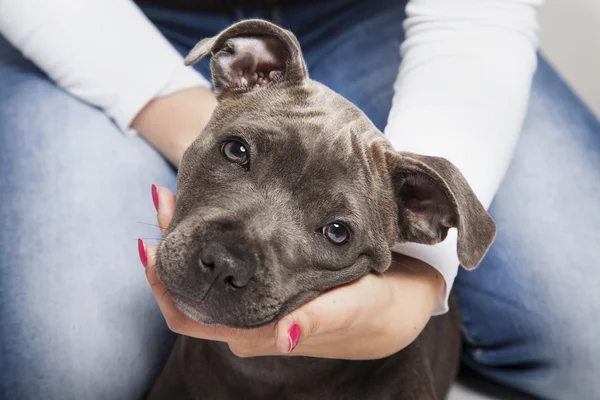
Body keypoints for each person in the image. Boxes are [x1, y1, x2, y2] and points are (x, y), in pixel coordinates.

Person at [0, 0, 598, 399]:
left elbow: (474, 21)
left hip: (384, 17)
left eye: (336, 230)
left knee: (587, 338)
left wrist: (419, 288)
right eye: (237, 153)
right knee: (61, 370)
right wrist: (183, 117)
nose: (227, 263)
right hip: (106, 17)